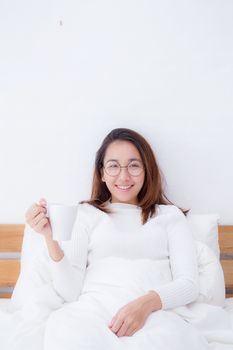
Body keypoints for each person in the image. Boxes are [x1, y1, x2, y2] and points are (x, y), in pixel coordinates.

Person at [24, 127, 209, 350]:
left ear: (146, 170)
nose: (123, 176)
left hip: (154, 316)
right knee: (64, 332)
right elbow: (69, 292)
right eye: (113, 166)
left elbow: (188, 285)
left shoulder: (169, 217)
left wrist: (144, 305)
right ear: (102, 173)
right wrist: (50, 238)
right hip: (90, 315)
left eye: (134, 165)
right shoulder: (85, 214)